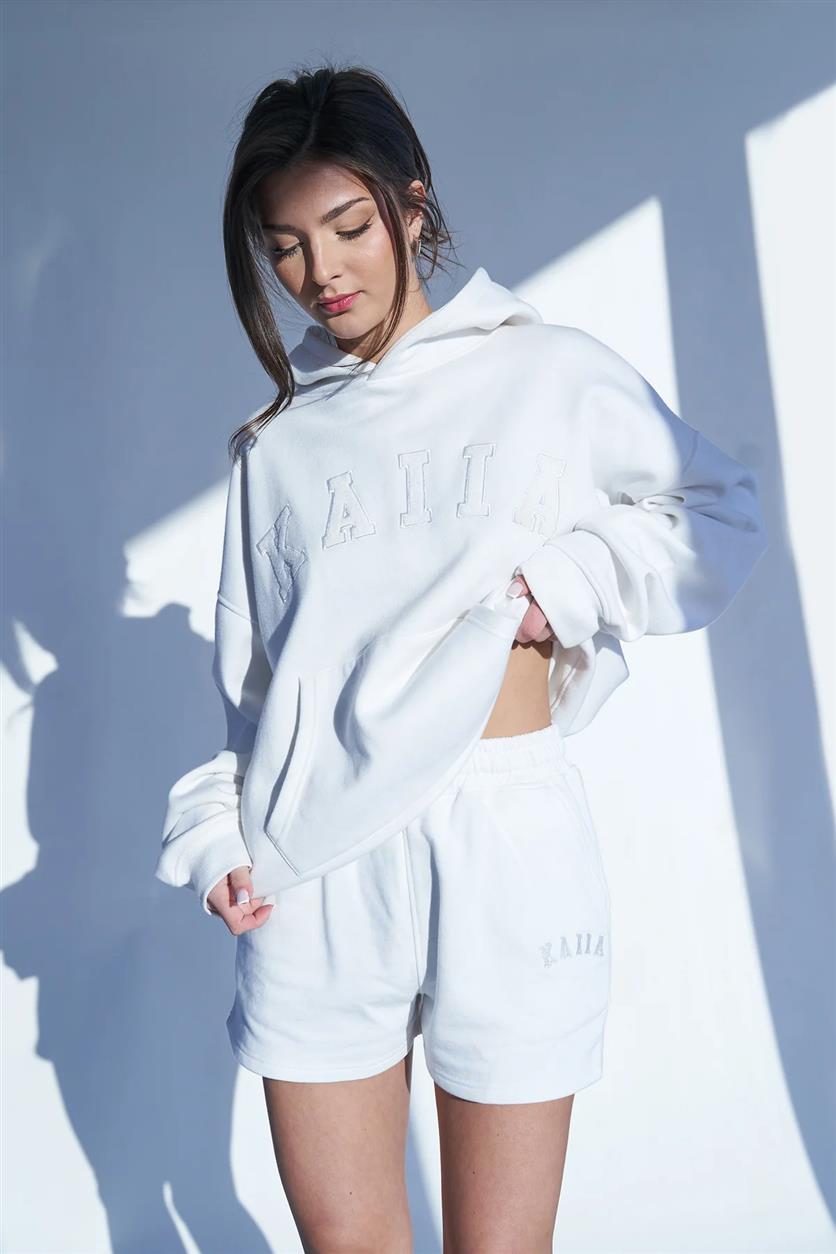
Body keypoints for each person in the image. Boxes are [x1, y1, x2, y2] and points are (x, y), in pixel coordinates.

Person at [154, 62, 768, 1251]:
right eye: (284, 248)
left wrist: (562, 586)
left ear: (412, 205)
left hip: (502, 840)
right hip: (317, 863)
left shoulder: (544, 372)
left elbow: (718, 509)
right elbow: (257, 692)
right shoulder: (276, 448)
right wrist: (221, 836)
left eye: (347, 227)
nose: (320, 273)